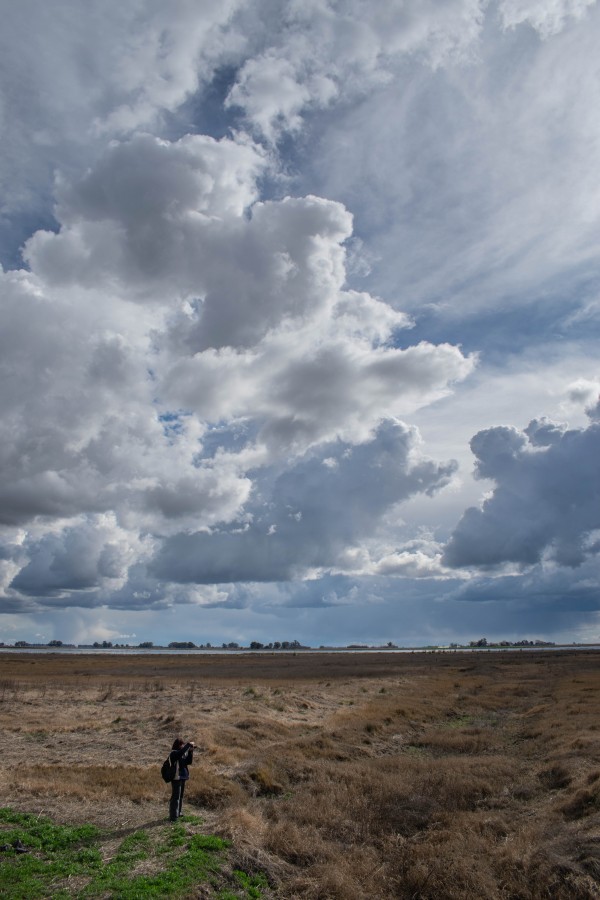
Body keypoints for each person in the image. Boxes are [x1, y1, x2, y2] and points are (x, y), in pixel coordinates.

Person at [168, 737, 194, 821]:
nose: (183, 746)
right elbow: (180, 753)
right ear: (178, 745)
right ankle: (173, 817)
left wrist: (190, 751)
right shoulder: (174, 753)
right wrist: (189, 744)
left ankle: (178, 812)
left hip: (183, 777)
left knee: (181, 796)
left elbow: (189, 762)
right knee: (176, 797)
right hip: (176, 778)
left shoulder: (182, 754)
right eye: (182, 744)